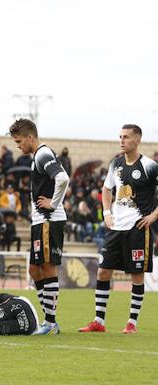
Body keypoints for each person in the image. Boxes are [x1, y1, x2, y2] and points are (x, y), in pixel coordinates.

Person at [79, 124, 158, 335]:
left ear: (137, 140)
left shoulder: (150, 166)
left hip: (138, 228)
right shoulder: (116, 164)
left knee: (136, 275)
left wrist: (153, 216)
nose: (122, 140)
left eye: (126, 137)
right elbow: (106, 189)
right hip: (115, 228)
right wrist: (106, 212)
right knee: (103, 271)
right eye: (120, 136)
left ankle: (132, 323)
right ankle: (99, 321)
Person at [9, 118, 69, 335]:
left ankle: (50, 322)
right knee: (34, 269)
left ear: (30, 137)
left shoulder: (43, 154)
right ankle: (50, 320)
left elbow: (63, 178)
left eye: (19, 142)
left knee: (47, 267)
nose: (18, 146)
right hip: (40, 220)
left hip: (49, 219)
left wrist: (53, 203)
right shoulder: (38, 156)